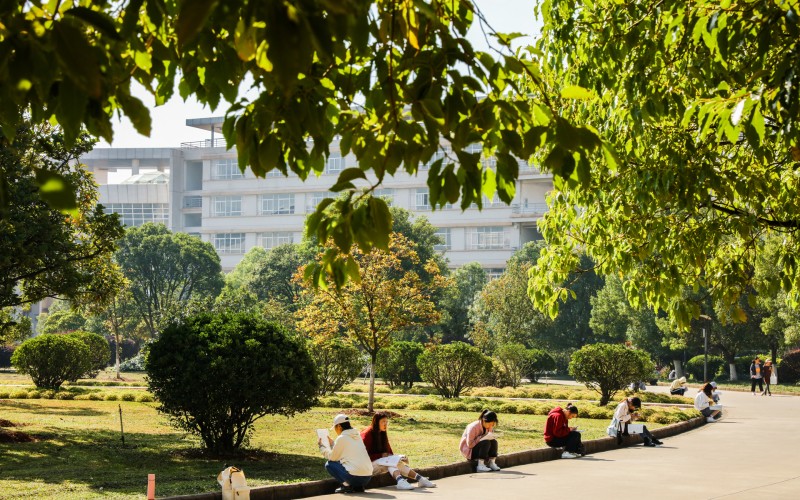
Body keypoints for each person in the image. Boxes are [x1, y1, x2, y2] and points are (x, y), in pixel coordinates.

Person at [361, 412, 436, 490]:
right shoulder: (367, 434)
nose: (385, 424)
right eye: (383, 421)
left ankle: (419, 479)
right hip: (366, 466)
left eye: (386, 422)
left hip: (379, 462)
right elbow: (362, 457)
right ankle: (403, 481)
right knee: (390, 463)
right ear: (376, 422)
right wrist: (380, 455)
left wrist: (400, 458)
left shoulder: (382, 433)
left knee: (393, 462)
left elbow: (389, 452)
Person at [318, 414, 373, 493]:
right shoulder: (357, 435)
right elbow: (346, 450)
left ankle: (347, 486)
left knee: (329, 464)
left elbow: (332, 457)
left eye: (335, 428)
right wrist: (333, 444)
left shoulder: (342, 438)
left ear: (339, 426)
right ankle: (358, 487)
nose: (335, 430)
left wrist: (322, 447)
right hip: (367, 477)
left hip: (354, 478)